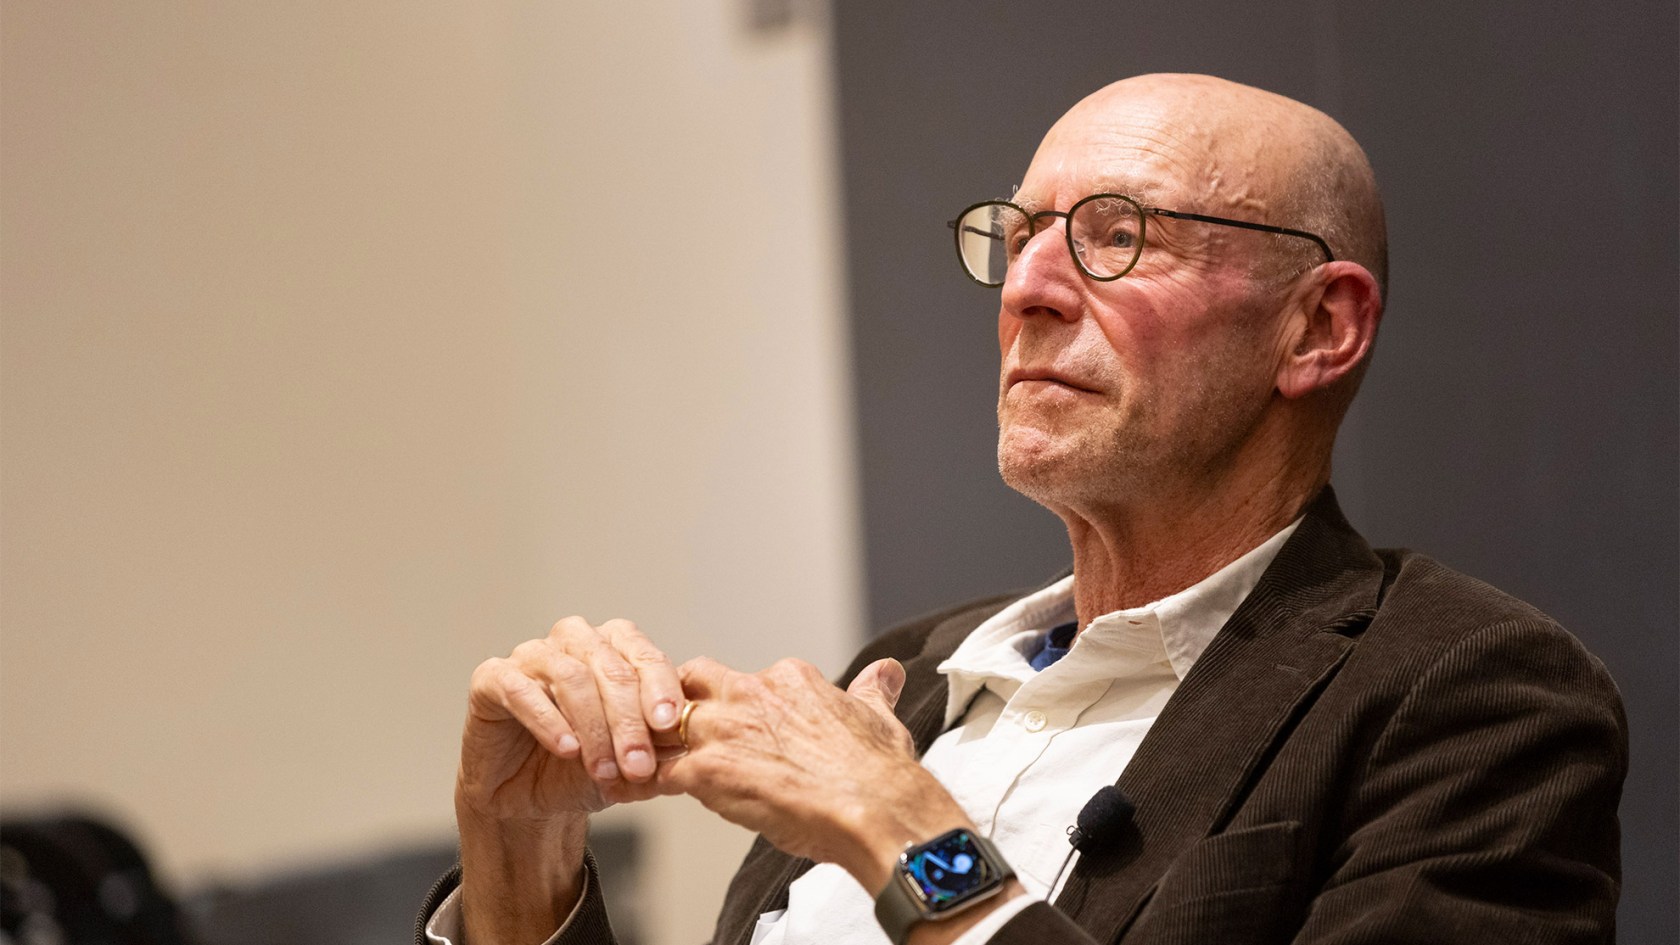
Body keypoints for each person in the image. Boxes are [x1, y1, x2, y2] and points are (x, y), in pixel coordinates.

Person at [418, 74, 1626, 945]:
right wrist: (520, 871)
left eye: (1115, 237)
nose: (1030, 289)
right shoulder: (911, 672)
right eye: (1023, 234)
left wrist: (902, 834)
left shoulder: (1466, 697)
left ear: (1317, 326)